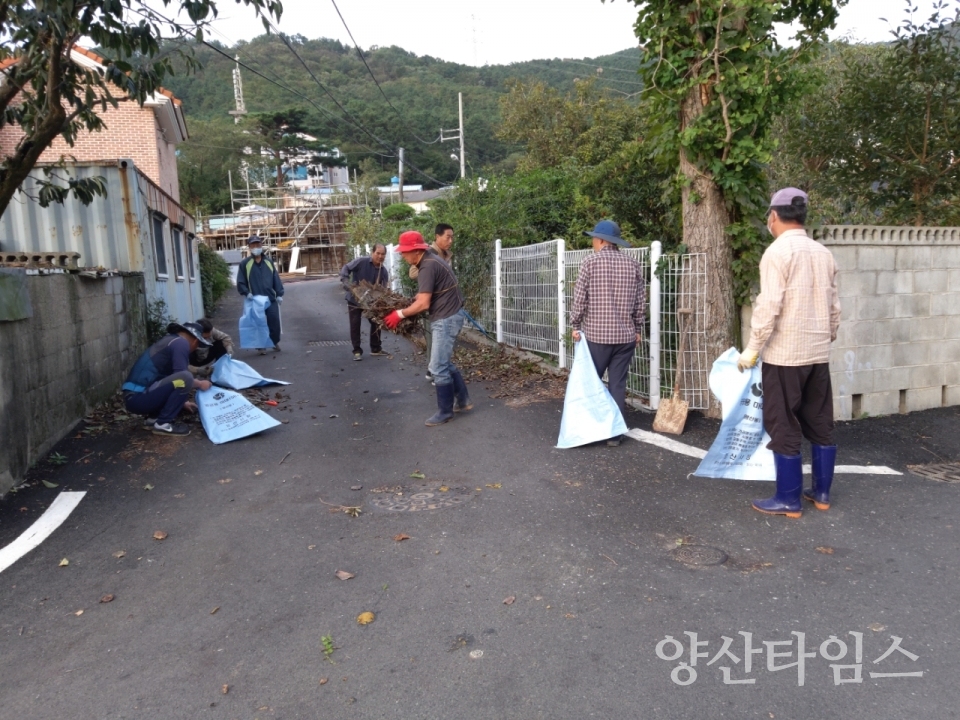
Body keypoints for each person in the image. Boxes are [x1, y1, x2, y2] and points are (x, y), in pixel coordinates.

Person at [738, 187, 841, 518]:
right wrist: (829, 334)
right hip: (818, 353)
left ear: (773, 215)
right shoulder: (823, 253)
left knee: (782, 421)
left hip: (785, 356)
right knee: (820, 419)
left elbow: (769, 306)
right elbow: (834, 304)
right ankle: (822, 493)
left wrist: (752, 349)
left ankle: (788, 498)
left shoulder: (777, 253)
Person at [569, 220, 645, 447]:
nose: (592, 242)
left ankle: (587, 430)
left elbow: (580, 298)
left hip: (597, 337)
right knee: (617, 385)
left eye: (594, 238)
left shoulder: (590, 263)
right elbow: (640, 302)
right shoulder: (632, 264)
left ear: (602, 240)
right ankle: (615, 434)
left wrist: (575, 324)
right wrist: (638, 329)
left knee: (590, 382)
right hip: (625, 338)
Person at [384, 230, 472, 426]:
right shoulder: (430, 260)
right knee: (443, 362)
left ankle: (445, 412)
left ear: (416, 251)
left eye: (405, 252)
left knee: (437, 367)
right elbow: (428, 294)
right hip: (450, 314)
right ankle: (464, 400)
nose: (402, 255)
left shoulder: (428, 266)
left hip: (446, 318)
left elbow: (423, 304)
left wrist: (399, 314)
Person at [122, 322, 214, 436]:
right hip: (139, 398)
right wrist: (200, 384)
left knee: (182, 378)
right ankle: (162, 424)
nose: (195, 348)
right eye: (198, 345)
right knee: (186, 377)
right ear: (195, 341)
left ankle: (153, 419)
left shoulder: (171, 341)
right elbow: (182, 377)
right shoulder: (181, 343)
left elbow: (170, 381)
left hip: (134, 398)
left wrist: (182, 403)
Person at [409, 224, 455, 381]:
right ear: (437, 237)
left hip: (444, 306)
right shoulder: (430, 254)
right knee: (434, 341)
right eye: (447, 237)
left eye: (452, 237)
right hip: (434, 305)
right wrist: (427, 286)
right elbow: (414, 272)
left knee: (440, 347)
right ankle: (433, 370)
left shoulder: (444, 254)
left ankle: (435, 370)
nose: (451, 240)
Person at [339, 244, 390, 361]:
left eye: (383, 254)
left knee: (376, 322)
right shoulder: (361, 262)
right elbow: (346, 268)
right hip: (355, 298)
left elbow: (383, 289)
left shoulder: (384, 272)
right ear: (372, 253)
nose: (380, 256)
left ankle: (376, 348)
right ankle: (357, 351)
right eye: (378, 253)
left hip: (371, 302)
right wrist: (346, 281)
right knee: (355, 324)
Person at [236, 235, 284, 353]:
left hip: (270, 298)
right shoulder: (245, 264)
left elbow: (275, 278)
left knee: (274, 321)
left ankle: (274, 341)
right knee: (258, 323)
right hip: (255, 299)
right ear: (249, 247)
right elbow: (241, 280)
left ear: (261, 245)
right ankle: (260, 346)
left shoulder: (268, 262)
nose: (256, 247)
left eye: (258, 245)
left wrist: (279, 293)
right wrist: (246, 293)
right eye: (253, 245)